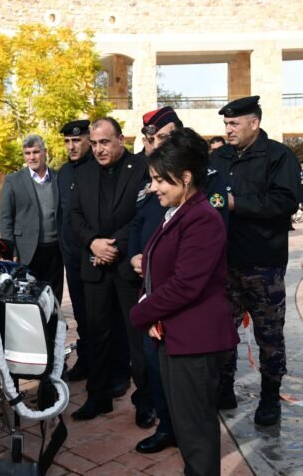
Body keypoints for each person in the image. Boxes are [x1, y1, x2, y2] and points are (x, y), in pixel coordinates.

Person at [130, 127, 239, 476]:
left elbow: (186, 285)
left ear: (186, 177)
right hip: (176, 334)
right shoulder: (179, 211)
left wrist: (139, 312)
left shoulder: (202, 217)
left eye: (161, 180)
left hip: (195, 340)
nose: (154, 187)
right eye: (153, 179)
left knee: (196, 431)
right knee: (186, 425)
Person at [210, 95, 300, 425]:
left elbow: (285, 201)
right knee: (222, 331)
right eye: (226, 124)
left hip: (264, 264)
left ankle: (269, 397)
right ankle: (223, 388)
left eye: (234, 123)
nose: (228, 129)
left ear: (254, 123)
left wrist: (236, 203)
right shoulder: (218, 157)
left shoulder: (279, 156)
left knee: (269, 336)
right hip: (225, 262)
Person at [69, 117, 153, 427]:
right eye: (94, 143)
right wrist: (93, 243)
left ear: (120, 139)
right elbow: (74, 215)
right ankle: (98, 397)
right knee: (96, 334)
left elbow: (144, 215)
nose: (99, 149)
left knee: (136, 339)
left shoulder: (141, 168)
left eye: (105, 142)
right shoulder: (85, 171)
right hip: (93, 266)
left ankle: (144, 402)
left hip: (126, 266)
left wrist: (112, 245)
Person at [0, 134, 64, 300]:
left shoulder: (59, 178)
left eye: (35, 152)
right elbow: (5, 219)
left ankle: (54, 326)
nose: (32, 157)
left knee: (54, 297)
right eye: (27, 153)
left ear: (45, 152)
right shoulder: (13, 181)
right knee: (29, 299)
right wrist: (10, 251)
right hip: (26, 251)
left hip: (56, 250)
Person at [57, 120, 93, 381]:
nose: (72, 146)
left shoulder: (98, 167)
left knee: (102, 315)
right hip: (72, 255)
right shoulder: (64, 173)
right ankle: (87, 360)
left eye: (76, 140)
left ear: (88, 140)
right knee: (81, 312)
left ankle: (114, 370)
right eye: (68, 141)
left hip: (94, 254)